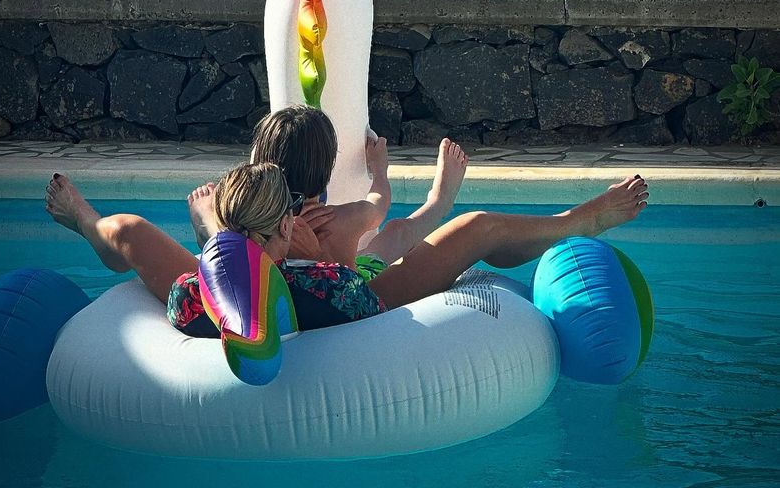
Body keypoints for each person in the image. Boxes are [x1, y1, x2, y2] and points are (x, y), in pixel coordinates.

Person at [44, 164, 649, 335]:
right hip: (351, 299)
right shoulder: (325, 281)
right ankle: (578, 221)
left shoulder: (189, 297)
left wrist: (216, 237)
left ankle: (87, 219)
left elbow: (220, 281)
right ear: (283, 227)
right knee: (479, 229)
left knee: (125, 230)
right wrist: (320, 258)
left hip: (251, 268)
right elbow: (359, 295)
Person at [247, 105, 469, 274]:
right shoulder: (345, 218)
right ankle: (440, 201)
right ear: (327, 166)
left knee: (375, 247)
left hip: (297, 297)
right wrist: (379, 169)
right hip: (351, 290)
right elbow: (379, 201)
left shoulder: (254, 221)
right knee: (397, 230)